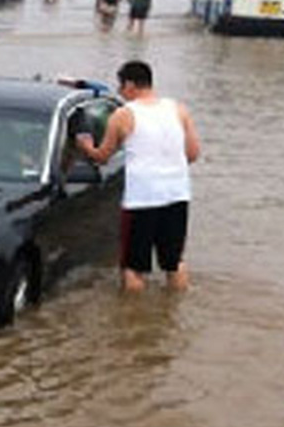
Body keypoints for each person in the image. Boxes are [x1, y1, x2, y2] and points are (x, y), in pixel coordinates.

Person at [75, 60, 201, 292]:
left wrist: (86, 147)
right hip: (177, 195)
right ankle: (172, 312)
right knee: (174, 262)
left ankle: (133, 320)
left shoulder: (123, 115)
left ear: (130, 85)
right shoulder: (178, 109)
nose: (120, 92)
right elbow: (192, 154)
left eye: (121, 86)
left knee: (133, 266)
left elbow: (102, 156)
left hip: (142, 199)